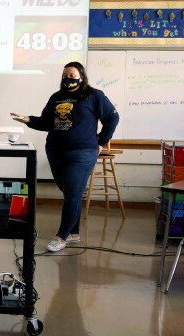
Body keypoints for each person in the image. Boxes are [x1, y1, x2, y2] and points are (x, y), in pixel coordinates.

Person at [12, 61, 119, 252]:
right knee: (71, 193)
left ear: (81, 77)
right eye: (65, 76)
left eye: (72, 76)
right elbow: (46, 122)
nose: (68, 79)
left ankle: (61, 237)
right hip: (55, 151)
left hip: (82, 154)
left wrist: (102, 142)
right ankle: (74, 233)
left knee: (72, 194)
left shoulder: (94, 96)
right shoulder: (56, 97)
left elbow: (113, 117)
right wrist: (27, 120)